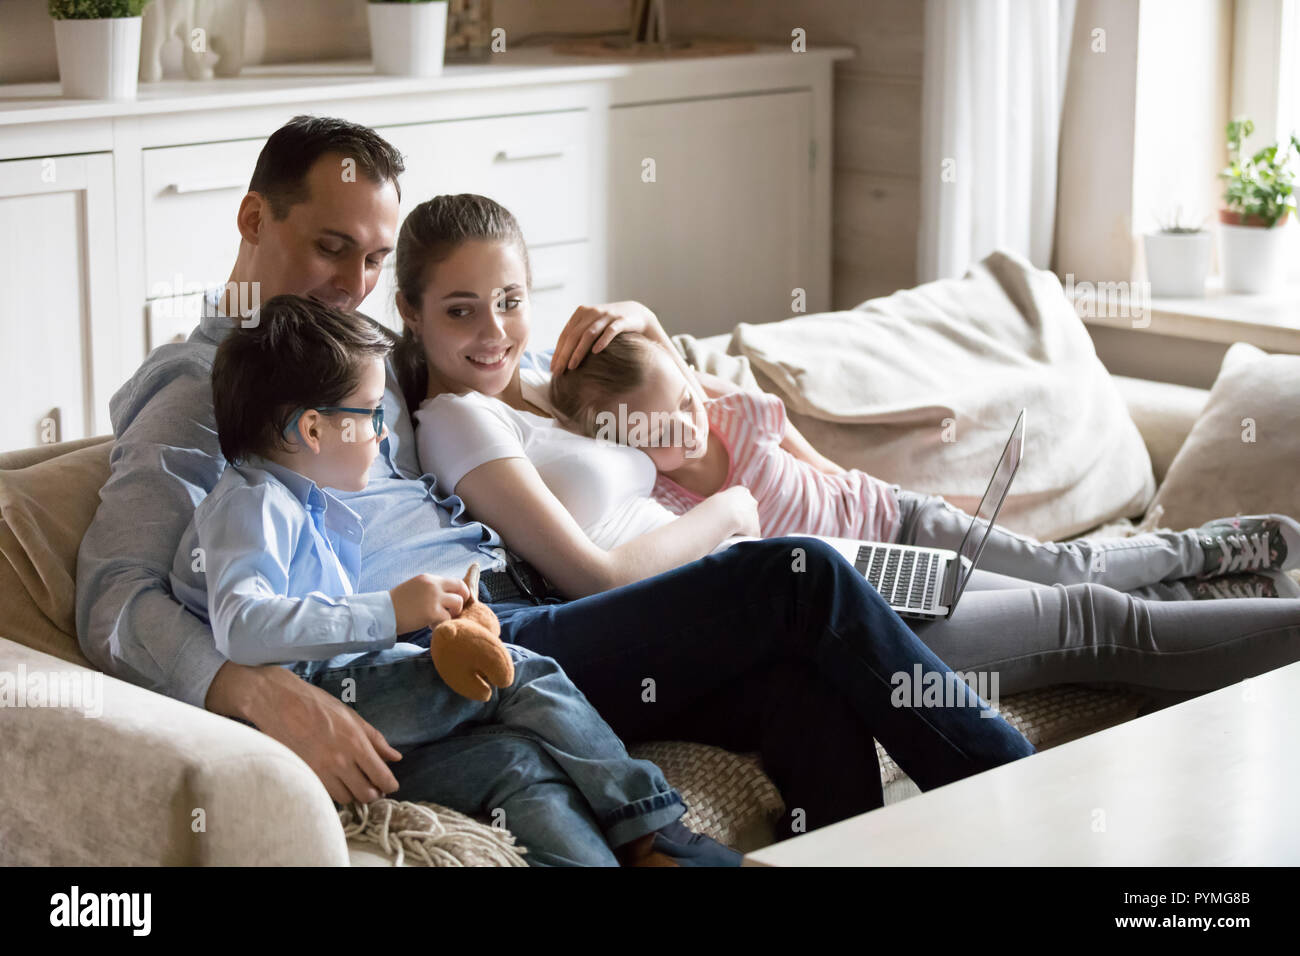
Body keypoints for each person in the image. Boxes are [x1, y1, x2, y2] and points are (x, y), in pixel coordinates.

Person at [76, 116, 1036, 846]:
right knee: (798, 576)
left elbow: (498, 357)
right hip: (455, 653)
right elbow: (113, 597)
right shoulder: (197, 390)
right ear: (254, 219)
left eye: (374, 260)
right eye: (332, 247)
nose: (353, 282)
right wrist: (254, 688)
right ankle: (1033, 808)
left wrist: (642, 325)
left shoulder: (369, 352)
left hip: (536, 626)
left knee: (802, 692)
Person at [396, 191, 1300, 718]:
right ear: (411, 312)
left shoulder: (552, 382)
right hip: (790, 608)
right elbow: (596, 575)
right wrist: (738, 511)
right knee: (1094, 624)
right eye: (460, 310)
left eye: (508, 300)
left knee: (1084, 592)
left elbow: (672, 397)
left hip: (836, 564)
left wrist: (644, 319)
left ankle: (1242, 585)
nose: (493, 331)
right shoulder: (455, 424)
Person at [164, 293, 723, 866]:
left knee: (516, 763)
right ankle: (650, 821)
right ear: (312, 428)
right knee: (517, 671)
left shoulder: (308, 506)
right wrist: (392, 611)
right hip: (316, 705)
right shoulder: (252, 505)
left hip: (357, 716)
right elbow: (242, 625)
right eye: (371, 415)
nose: (384, 436)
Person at [546, 328, 1300, 596]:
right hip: (878, 578)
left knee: (1067, 571)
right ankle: (1227, 590)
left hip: (902, 518)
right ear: (620, 440)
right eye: (660, 425)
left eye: (685, 397)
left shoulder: (729, 411)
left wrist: (859, 482)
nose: (687, 421)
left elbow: (817, 464)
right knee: (1065, 601)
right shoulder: (667, 507)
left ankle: (1209, 549)